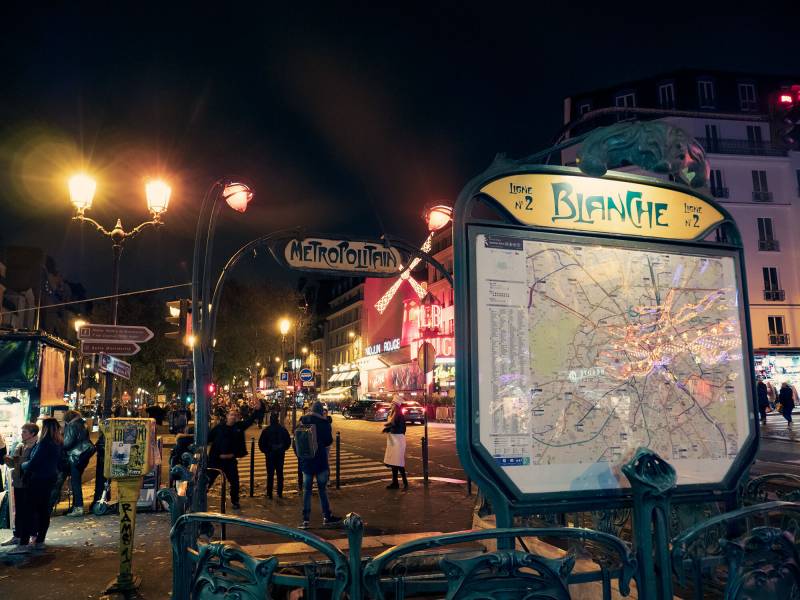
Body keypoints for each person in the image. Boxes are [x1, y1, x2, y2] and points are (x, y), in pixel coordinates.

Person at [11, 417, 63, 554]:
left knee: (29, 512)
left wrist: (22, 465)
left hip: (38, 480)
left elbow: (34, 462)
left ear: (45, 428)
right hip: (49, 479)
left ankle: (23, 544)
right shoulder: (58, 442)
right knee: (43, 511)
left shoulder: (45, 443)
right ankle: (40, 541)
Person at [296, 401, 340, 529]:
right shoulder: (324, 423)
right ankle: (327, 516)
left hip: (307, 461)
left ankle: (305, 520)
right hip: (320, 460)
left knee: (307, 491)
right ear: (321, 411)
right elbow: (328, 442)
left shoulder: (303, 420)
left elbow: (297, 439)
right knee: (322, 490)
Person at [207, 403, 260, 509]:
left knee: (235, 482)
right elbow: (208, 438)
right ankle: (200, 497)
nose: (233, 416)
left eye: (235, 415)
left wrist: (257, 411)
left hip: (230, 461)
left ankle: (235, 501)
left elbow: (249, 421)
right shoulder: (219, 428)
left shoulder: (238, 427)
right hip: (217, 460)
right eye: (231, 414)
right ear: (227, 416)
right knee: (208, 480)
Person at [1, 423, 38, 547]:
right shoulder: (20, 446)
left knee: (30, 511)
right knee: (19, 511)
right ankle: (18, 535)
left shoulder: (37, 447)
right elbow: (13, 465)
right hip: (18, 483)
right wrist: (7, 459)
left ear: (32, 434)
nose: (22, 434)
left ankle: (32, 536)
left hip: (30, 483)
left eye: (24, 432)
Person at [61, 410, 94, 516]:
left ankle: (78, 507)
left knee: (75, 482)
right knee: (76, 480)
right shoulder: (82, 423)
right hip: (83, 456)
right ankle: (76, 506)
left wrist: (60, 440)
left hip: (76, 456)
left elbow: (67, 443)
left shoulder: (72, 426)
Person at [258, 412, 291, 499]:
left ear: (270, 420)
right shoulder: (282, 429)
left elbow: (261, 444)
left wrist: (267, 451)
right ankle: (279, 492)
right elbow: (288, 442)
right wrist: (283, 448)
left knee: (270, 474)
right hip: (280, 454)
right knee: (280, 473)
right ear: (277, 419)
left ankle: (269, 493)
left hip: (270, 455)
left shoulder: (266, 430)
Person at [382, 400, 409, 489]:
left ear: (396, 405)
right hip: (393, 439)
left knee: (398, 462)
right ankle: (395, 483)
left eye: (392, 404)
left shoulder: (398, 415)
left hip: (398, 439)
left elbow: (399, 428)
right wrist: (388, 429)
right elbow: (392, 425)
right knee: (394, 462)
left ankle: (404, 482)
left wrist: (388, 428)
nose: (391, 405)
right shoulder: (393, 413)